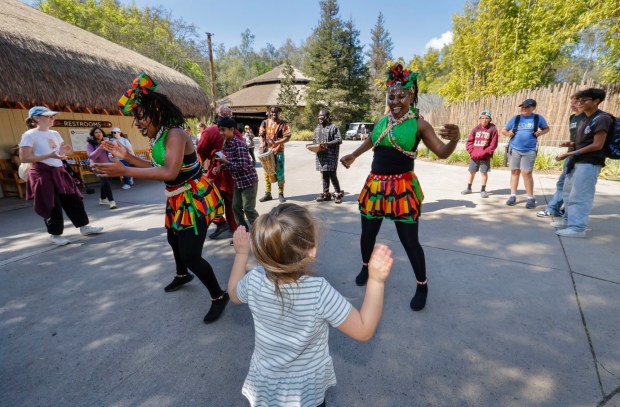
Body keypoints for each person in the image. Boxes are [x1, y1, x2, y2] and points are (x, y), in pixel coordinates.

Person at [92, 73, 229, 323]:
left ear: (155, 110)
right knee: (172, 237)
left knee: (191, 255)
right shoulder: (160, 134)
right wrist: (126, 157)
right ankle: (182, 275)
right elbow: (156, 164)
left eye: (140, 117)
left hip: (194, 198)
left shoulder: (175, 134)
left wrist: (124, 170)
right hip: (177, 197)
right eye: (135, 118)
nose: (137, 124)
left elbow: (169, 172)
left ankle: (219, 296)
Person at [228, 203, 394, 407]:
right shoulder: (318, 292)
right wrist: (376, 281)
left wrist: (241, 254)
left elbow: (234, 294)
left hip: (266, 382)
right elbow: (364, 330)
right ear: (311, 251)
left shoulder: (253, 280)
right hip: (304, 391)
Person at [340, 63, 460, 311]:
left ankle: (422, 285)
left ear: (412, 95)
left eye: (401, 96)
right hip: (375, 187)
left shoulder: (419, 125)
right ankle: (365, 267)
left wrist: (455, 140)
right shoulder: (382, 121)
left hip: (402, 190)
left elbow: (442, 153)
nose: (395, 101)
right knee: (367, 234)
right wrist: (353, 155)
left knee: (410, 242)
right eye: (391, 96)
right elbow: (372, 140)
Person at [18, 106, 103, 246]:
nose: (52, 119)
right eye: (48, 116)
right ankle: (55, 234)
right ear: (36, 118)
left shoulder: (55, 133)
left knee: (73, 199)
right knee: (51, 203)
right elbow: (25, 158)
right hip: (42, 173)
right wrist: (49, 155)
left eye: (53, 116)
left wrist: (63, 151)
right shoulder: (29, 135)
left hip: (59, 171)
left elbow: (59, 153)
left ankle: (84, 227)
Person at [551, 88, 613, 238]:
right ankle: (568, 220)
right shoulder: (585, 119)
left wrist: (571, 152)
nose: (579, 103)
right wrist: (571, 144)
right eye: (578, 100)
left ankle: (578, 227)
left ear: (596, 101)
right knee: (568, 192)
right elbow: (585, 141)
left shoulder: (602, 118)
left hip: (589, 162)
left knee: (580, 195)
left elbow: (597, 145)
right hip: (576, 161)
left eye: (583, 100)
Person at [537, 96, 585, 217]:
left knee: (571, 185)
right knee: (563, 182)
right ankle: (558, 208)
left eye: (576, 102)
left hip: (583, 156)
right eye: (571, 103)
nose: (572, 105)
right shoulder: (573, 117)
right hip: (571, 154)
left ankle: (559, 210)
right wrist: (569, 146)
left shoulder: (588, 117)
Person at [196, 106, 240, 240]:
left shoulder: (209, 131)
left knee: (207, 198)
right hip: (229, 170)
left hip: (217, 170)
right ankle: (234, 228)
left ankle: (221, 222)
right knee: (230, 201)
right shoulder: (234, 131)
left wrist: (199, 168)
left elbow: (201, 151)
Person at [501, 98, 550, 209]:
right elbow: (504, 130)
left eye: (527, 107)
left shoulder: (538, 118)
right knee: (514, 172)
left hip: (530, 150)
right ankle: (513, 196)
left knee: (527, 173)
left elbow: (547, 128)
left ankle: (530, 198)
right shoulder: (516, 118)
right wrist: (508, 134)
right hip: (514, 149)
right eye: (523, 107)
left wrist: (540, 133)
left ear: (533, 108)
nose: (524, 109)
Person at [215, 117, 259, 233]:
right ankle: (243, 233)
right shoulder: (227, 144)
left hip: (249, 181)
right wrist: (220, 166)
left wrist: (225, 162)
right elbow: (231, 161)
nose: (221, 133)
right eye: (219, 130)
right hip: (238, 182)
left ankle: (262, 232)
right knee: (235, 208)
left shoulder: (238, 144)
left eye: (223, 130)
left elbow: (242, 165)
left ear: (232, 129)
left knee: (248, 208)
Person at [461, 110, 499, 198]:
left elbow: (493, 144)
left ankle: (483, 189)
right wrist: (471, 151)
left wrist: (487, 152)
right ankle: (469, 188)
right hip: (474, 155)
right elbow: (469, 141)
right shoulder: (475, 129)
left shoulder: (493, 130)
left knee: (484, 172)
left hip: (485, 156)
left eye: (486, 118)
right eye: (482, 118)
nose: (484, 120)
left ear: (490, 119)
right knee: (472, 172)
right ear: (479, 119)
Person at [258, 105, 291, 203]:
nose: (274, 114)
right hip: (267, 152)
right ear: (269, 112)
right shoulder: (265, 122)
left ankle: (281, 193)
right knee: (267, 172)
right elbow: (261, 135)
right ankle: (268, 193)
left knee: (280, 173)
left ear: (279, 112)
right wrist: (262, 143)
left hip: (279, 151)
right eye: (272, 112)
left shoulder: (283, 124)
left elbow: (288, 137)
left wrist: (277, 143)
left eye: (276, 112)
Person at [312, 108, 344, 203]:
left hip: (331, 156)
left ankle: (337, 193)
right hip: (321, 156)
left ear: (327, 117)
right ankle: (326, 193)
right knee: (324, 174)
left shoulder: (334, 127)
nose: (320, 118)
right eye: (319, 117)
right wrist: (314, 146)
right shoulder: (317, 128)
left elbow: (339, 140)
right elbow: (314, 140)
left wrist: (327, 144)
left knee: (332, 174)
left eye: (322, 117)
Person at [87, 127, 117, 209]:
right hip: (97, 166)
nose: (98, 133)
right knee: (106, 183)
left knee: (106, 183)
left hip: (108, 165)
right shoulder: (91, 144)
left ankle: (103, 199)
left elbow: (112, 153)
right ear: (93, 135)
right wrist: (101, 147)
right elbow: (92, 156)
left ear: (102, 133)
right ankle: (112, 201)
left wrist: (111, 153)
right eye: (96, 132)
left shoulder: (107, 142)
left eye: (99, 132)